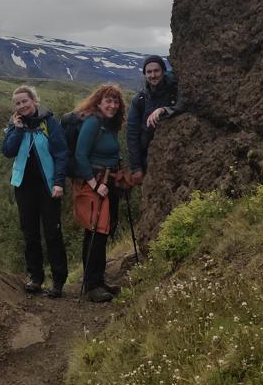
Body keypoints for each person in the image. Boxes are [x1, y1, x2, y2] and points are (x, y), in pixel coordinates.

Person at [2, 85, 69, 298]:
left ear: (34, 101)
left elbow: (61, 153)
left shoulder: (49, 122)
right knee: (30, 234)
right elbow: (8, 151)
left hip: (48, 186)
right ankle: (35, 278)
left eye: (25, 101)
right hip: (23, 186)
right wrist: (18, 129)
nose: (22, 106)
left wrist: (59, 182)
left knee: (52, 233)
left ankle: (58, 281)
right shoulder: (15, 125)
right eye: (17, 103)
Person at [72, 84, 126, 303]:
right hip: (95, 182)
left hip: (109, 180)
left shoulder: (109, 125)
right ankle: (92, 285)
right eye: (108, 101)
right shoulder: (93, 122)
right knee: (95, 230)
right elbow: (80, 155)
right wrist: (95, 184)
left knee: (102, 231)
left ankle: (98, 280)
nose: (112, 106)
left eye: (116, 102)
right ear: (98, 102)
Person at [126, 55, 184, 184]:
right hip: (150, 158)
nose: (153, 75)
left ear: (163, 71)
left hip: (176, 154)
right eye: (149, 72)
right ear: (145, 74)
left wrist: (164, 110)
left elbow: (184, 103)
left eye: (156, 71)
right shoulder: (140, 100)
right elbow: (132, 134)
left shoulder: (175, 89)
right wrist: (136, 167)